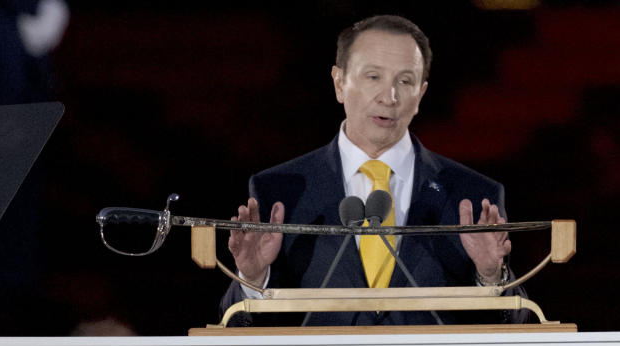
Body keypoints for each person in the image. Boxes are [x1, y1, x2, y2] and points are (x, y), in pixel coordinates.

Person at [221, 14, 520, 326]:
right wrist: (253, 278)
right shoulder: (280, 191)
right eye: (373, 77)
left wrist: (489, 277)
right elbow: (236, 327)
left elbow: (515, 322)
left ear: (420, 95)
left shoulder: (472, 195)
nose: (388, 97)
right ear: (339, 83)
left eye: (404, 81)